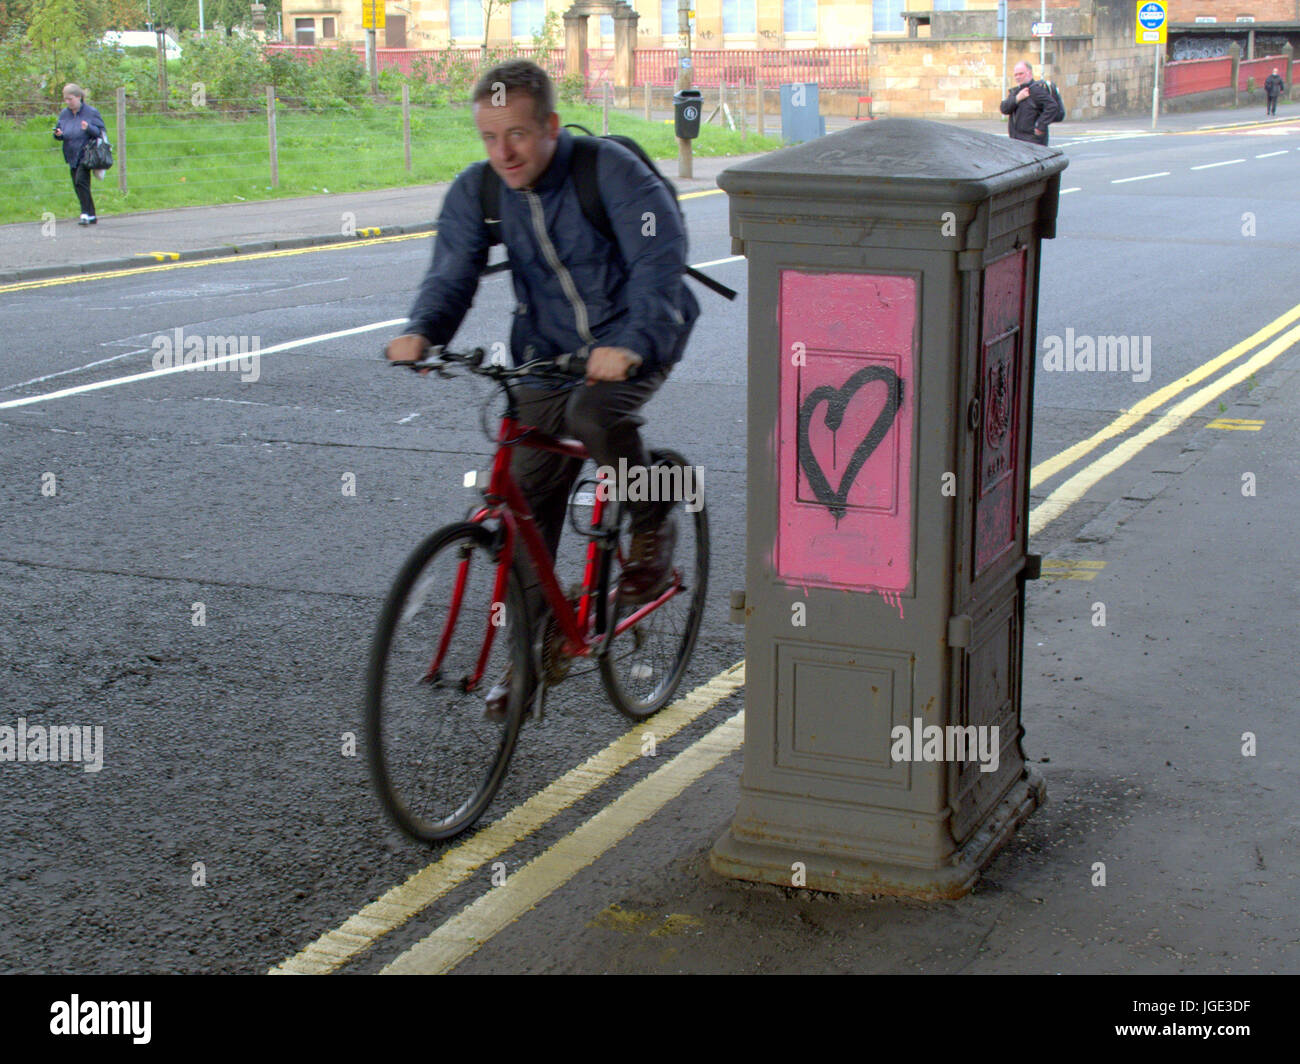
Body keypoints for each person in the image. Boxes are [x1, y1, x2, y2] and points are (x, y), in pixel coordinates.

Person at [384, 59, 698, 714]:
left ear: (551, 126)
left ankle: (650, 518)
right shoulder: (481, 190)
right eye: (490, 137)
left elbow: (658, 258)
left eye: (519, 134)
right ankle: (529, 654)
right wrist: (423, 330)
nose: (503, 152)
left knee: (593, 417)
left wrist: (633, 343)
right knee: (525, 503)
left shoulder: (607, 171)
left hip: (641, 334)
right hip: (547, 356)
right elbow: (452, 270)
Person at [52, 84, 106, 226]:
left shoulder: (91, 112)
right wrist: (58, 134)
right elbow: (59, 132)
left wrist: (88, 128)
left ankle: (85, 213)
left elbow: (100, 132)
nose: (67, 102)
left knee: (80, 181)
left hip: (86, 153)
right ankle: (92, 215)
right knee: (79, 185)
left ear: (79, 97)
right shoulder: (64, 114)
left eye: (70, 99)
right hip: (71, 154)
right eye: (65, 99)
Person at [1000, 61, 1063, 146]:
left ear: (1029, 73)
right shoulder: (1016, 92)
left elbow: (1052, 106)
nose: (1018, 77)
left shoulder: (1036, 90)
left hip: (1033, 141)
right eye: (1016, 75)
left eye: (1021, 74)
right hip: (1016, 140)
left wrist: (1040, 126)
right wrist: (1017, 98)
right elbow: (1004, 108)